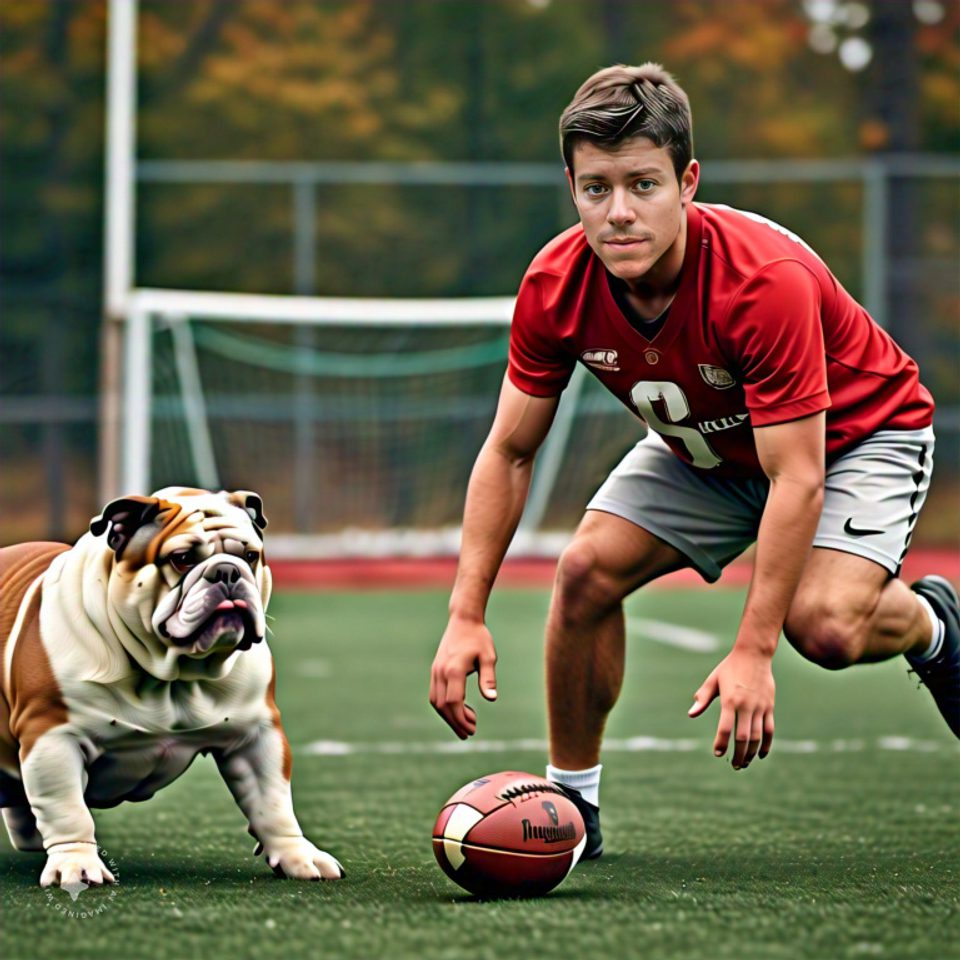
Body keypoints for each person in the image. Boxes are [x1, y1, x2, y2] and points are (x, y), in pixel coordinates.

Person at [428, 63, 958, 860]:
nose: (619, 213)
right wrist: (464, 614)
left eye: (643, 184)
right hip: (708, 445)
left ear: (688, 181)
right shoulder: (553, 283)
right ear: (570, 187)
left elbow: (797, 477)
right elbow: (508, 450)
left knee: (825, 628)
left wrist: (752, 651)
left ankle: (935, 624)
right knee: (582, 573)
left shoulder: (762, 282)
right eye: (596, 189)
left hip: (850, 440)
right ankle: (574, 807)